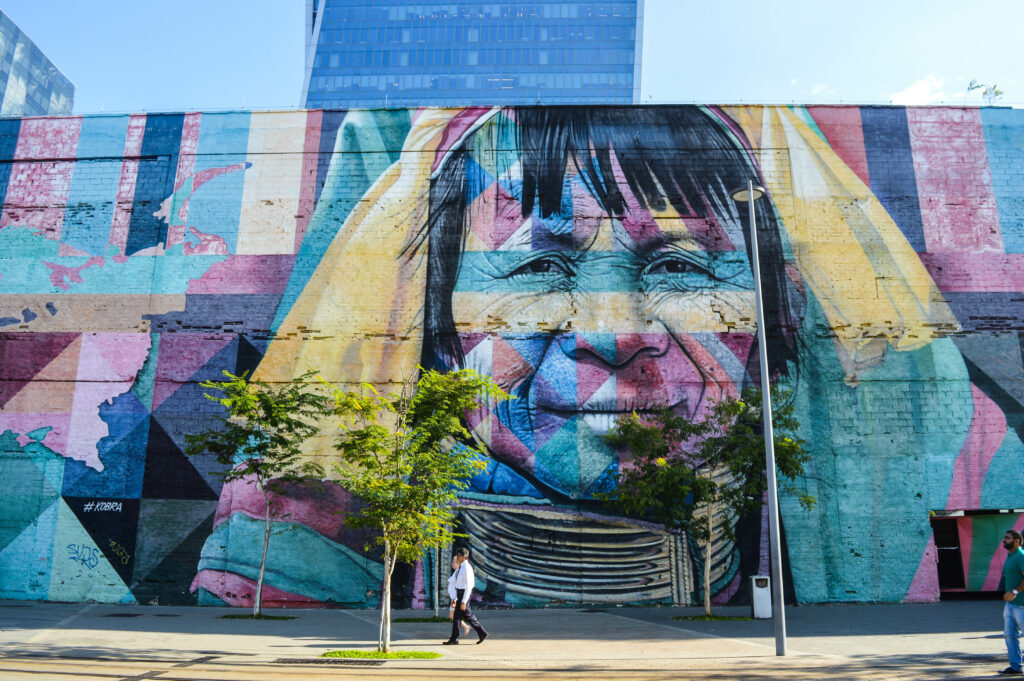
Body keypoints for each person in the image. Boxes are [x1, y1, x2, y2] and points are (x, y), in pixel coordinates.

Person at [444, 547, 487, 645]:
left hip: (464, 594)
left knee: (462, 616)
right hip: (460, 594)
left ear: (463, 557)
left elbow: (469, 586)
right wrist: (455, 598)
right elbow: (457, 584)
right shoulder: (461, 567)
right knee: (461, 616)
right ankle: (480, 633)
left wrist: (463, 601)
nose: (457, 558)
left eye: (459, 556)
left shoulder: (467, 568)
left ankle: (480, 632)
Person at [1001, 530, 1024, 675]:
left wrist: (1015, 592)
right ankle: (1015, 666)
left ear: (1017, 541)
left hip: (1021, 604)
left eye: (1007, 538)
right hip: (1010, 605)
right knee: (1010, 635)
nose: (1004, 540)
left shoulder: (1021, 556)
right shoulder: (1010, 556)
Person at [448, 556, 471, 636]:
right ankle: (456, 633)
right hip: (454, 598)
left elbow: (459, 587)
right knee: (453, 616)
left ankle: (464, 628)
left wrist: (455, 599)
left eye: (454, 562)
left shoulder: (458, 573)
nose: (452, 564)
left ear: (458, 563)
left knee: (454, 616)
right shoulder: (456, 572)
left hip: (455, 598)